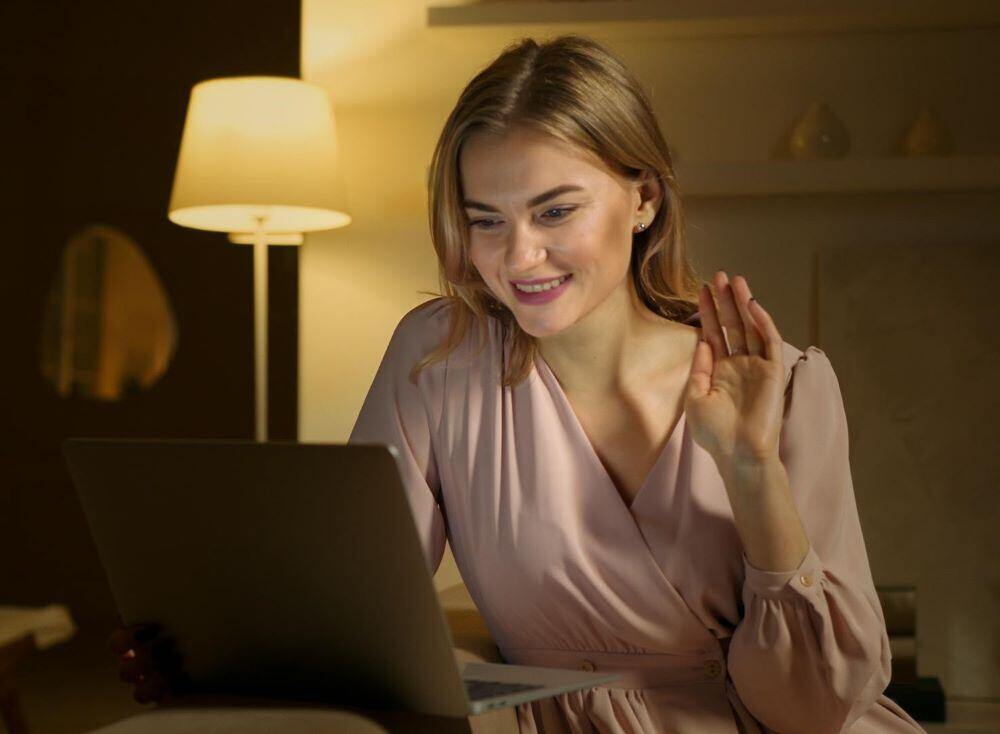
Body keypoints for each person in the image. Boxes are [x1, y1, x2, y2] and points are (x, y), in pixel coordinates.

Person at [113, 35, 926, 733]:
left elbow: (814, 712)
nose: (518, 257)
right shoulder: (438, 361)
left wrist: (751, 470)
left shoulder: (785, 387)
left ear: (642, 199)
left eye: (555, 211)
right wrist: (217, 665)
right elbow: (352, 624)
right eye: (486, 219)